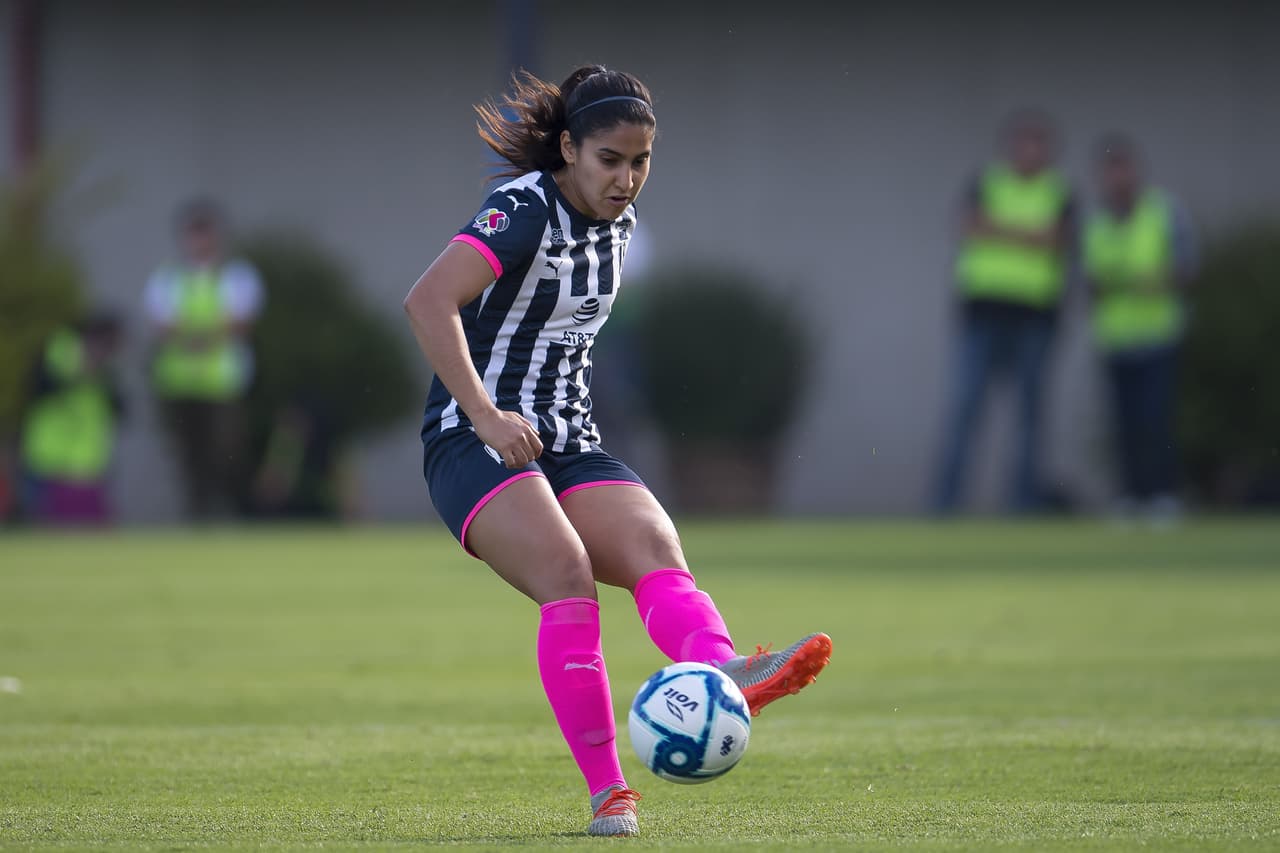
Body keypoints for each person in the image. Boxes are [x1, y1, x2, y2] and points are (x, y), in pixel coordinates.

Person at [403, 66, 832, 838]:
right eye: (610, 160)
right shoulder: (522, 208)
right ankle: (611, 793)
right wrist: (487, 413)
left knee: (656, 547)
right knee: (569, 576)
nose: (627, 178)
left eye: (641, 163)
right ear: (568, 148)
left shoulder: (621, 226)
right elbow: (427, 301)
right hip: (473, 440)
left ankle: (722, 673)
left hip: (568, 438)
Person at [933, 110, 1077, 514]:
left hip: (1034, 317)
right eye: (1023, 142)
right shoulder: (985, 182)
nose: (1030, 151)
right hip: (982, 315)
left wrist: (998, 230)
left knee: (1030, 418)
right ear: (1009, 147)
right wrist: (1029, 235)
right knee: (964, 411)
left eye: (1039, 143)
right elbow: (967, 227)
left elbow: (1058, 241)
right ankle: (944, 505)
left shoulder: (1060, 191)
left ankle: (1023, 505)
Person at [1083, 135, 1198, 523]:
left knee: (1156, 419)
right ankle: (1130, 496)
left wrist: (1141, 281)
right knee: (1124, 423)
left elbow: (1186, 269)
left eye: (1124, 168)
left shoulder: (1164, 212)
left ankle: (1164, 495)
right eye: (1110, 170)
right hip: (1116, 337)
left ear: (1136, 171)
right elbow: (1088, 280)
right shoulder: (1097, 222)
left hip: (1158, 334)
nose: (1118, 177)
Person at [143, 199, 263, 520]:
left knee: (226, 455)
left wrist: (192, 335)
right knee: (187, 458)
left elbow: (240, 324)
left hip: (223, 383)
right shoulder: (168, 279)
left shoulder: (237, 276)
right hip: (180, 384)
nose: (200, 241)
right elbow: (162, 327)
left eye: (206, 232)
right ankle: (196, 519)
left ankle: (229, 515)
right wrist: (211, 333)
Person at [18, 312, 124, 524]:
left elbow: (120, 410)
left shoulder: (105, 371)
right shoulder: (56, 356)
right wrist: (77, 374)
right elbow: (36, 392)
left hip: (87, 466)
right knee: (47, 528)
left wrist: (102, 376)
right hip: (49, 462)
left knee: (90, 531)